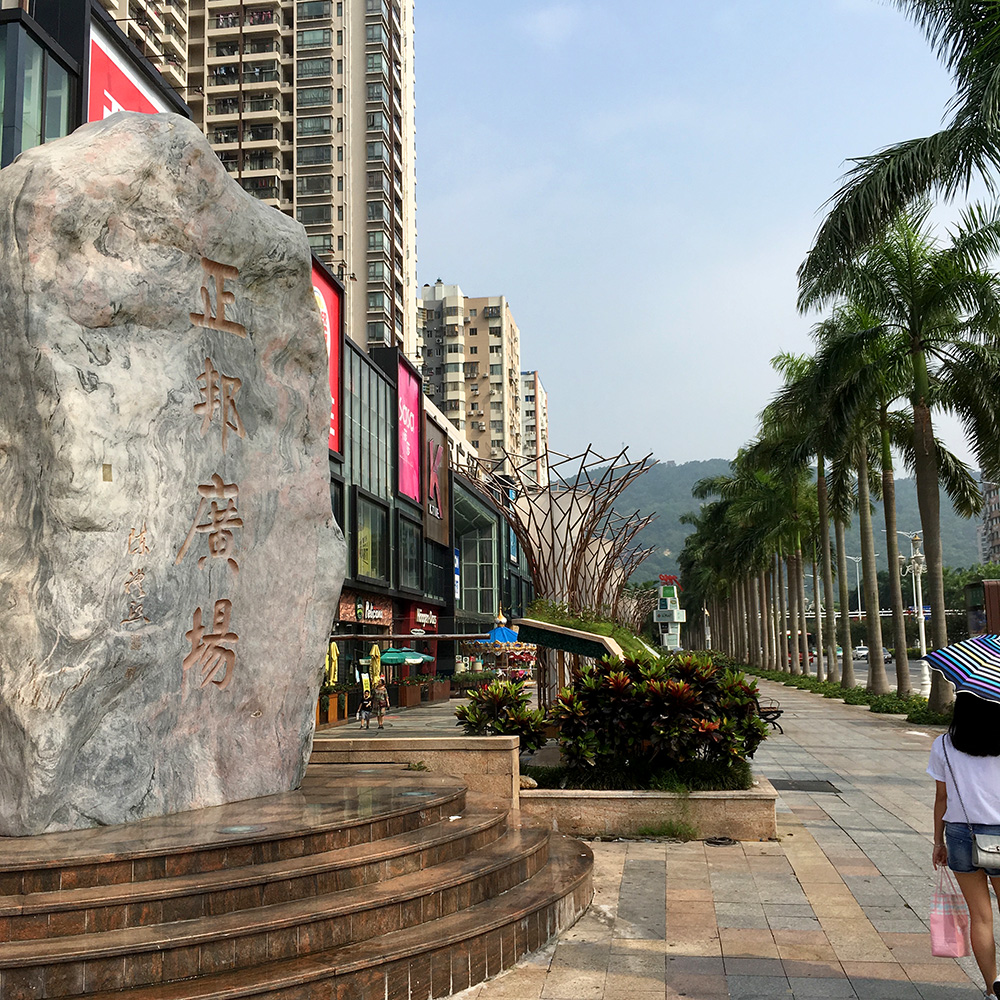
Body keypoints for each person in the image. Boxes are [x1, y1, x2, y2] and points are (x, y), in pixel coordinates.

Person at [928, 692, 1000, 998]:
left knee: (980, 916)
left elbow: (941, 798)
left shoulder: (944, 745)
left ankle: (992, 988)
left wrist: (938, 841)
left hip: (960, 834)